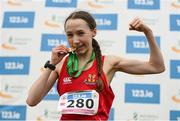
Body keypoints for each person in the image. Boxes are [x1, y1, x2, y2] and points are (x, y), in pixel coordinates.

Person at [26, 10, 165, 120]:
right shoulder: (61, 65)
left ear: (94, 32)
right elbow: (32, 100)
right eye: (70, 35)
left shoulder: (109, 63)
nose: (75, 40)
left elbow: (156, 67)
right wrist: (51, 65)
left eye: (80, 33)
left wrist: (148, 33)